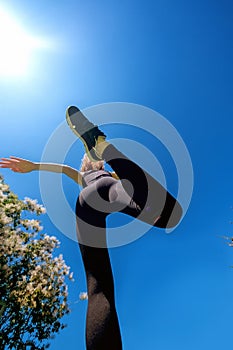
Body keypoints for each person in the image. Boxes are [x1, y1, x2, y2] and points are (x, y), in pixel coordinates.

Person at [0, 106, 182, 350]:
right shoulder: (109, 175)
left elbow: (64, 170)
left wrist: (34, 166)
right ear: (100, 165)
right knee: (170, 215)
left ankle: (100, 144)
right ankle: (103, 145)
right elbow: (138, 184)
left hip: (86, 202)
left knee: (97, 287)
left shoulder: (81, 177)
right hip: (110, 188)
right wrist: (108, 166)